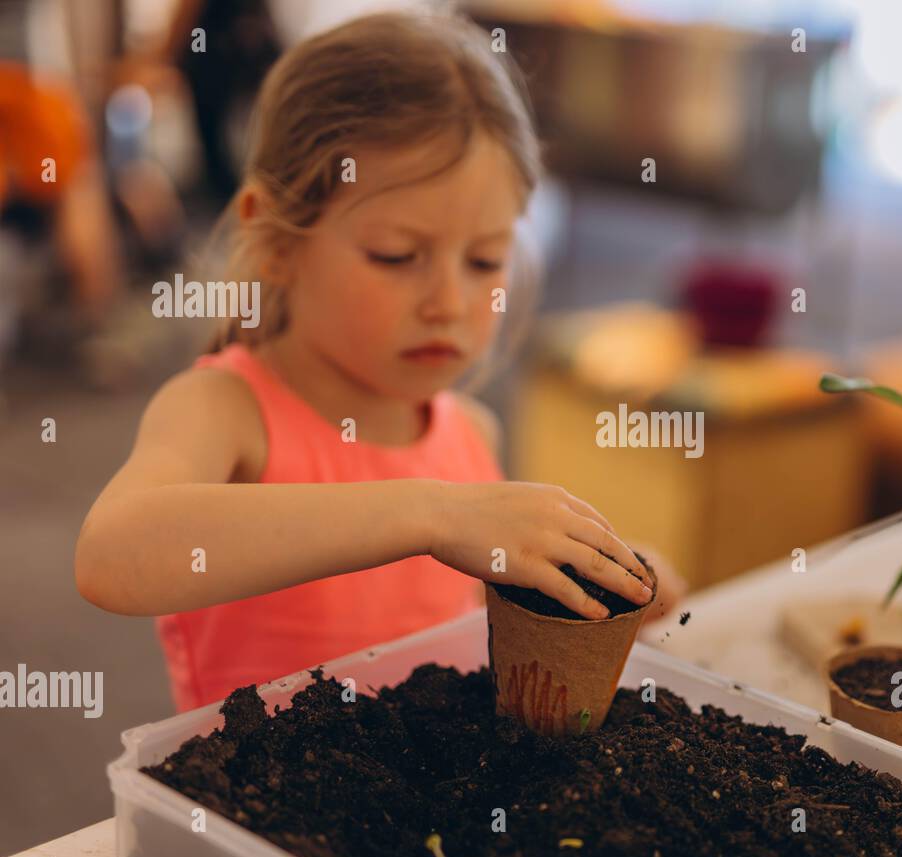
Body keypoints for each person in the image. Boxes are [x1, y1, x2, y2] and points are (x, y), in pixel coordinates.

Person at [75, 11, 686, 713]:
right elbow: (111, 557)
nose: (449, 302)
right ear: (275, 243)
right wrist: (431, 511)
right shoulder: (225, 412)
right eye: (397, 256)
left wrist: (593, 580)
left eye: (485, 260)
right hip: (255, 807)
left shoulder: (469, 436)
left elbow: (464, 633)